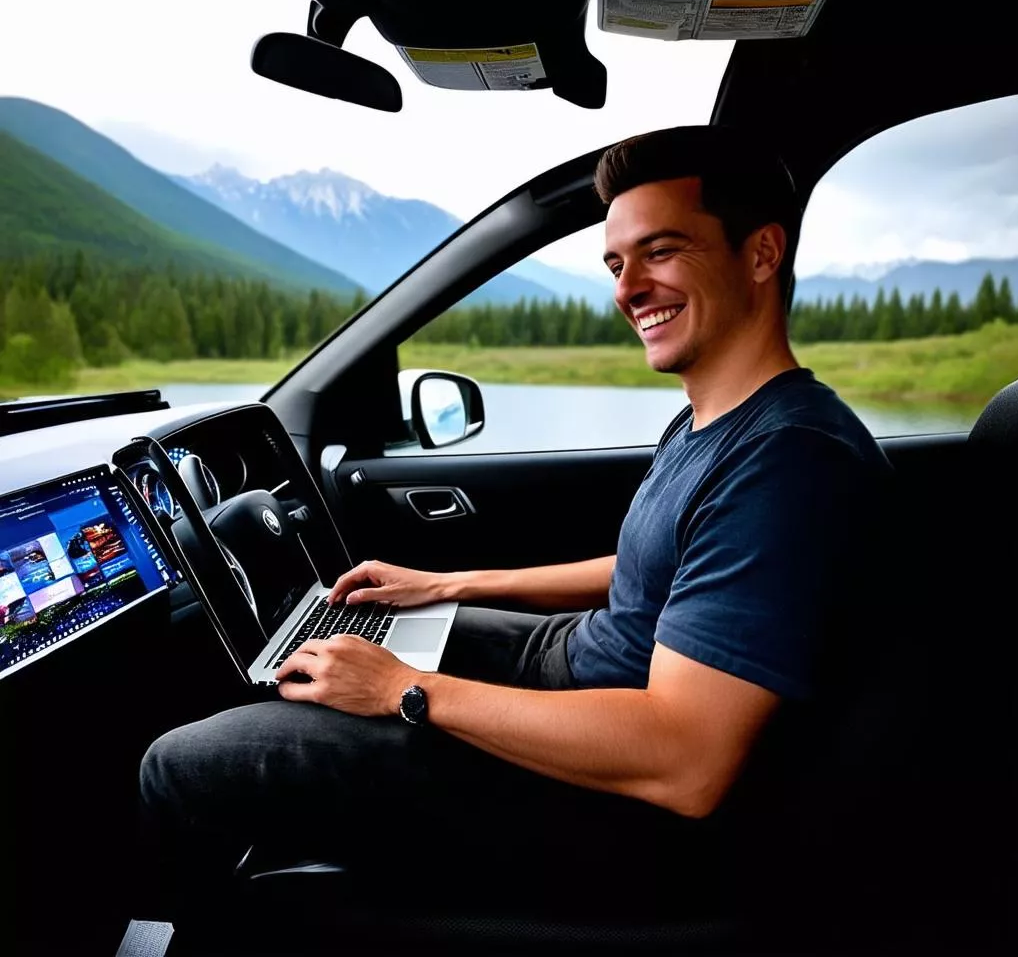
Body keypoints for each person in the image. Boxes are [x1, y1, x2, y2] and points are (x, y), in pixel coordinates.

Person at [139, 127, 893, 931]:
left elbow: (686, 760)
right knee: (344, 643)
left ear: (760, 254)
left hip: (620, 808)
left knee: (180, 763)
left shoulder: (789, 463)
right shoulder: (720, 424)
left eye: (661, 252)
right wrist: (446, 586)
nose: (628, 289)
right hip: (591, 671)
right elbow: (661, 568)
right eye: (615, 264)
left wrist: (403, 691)